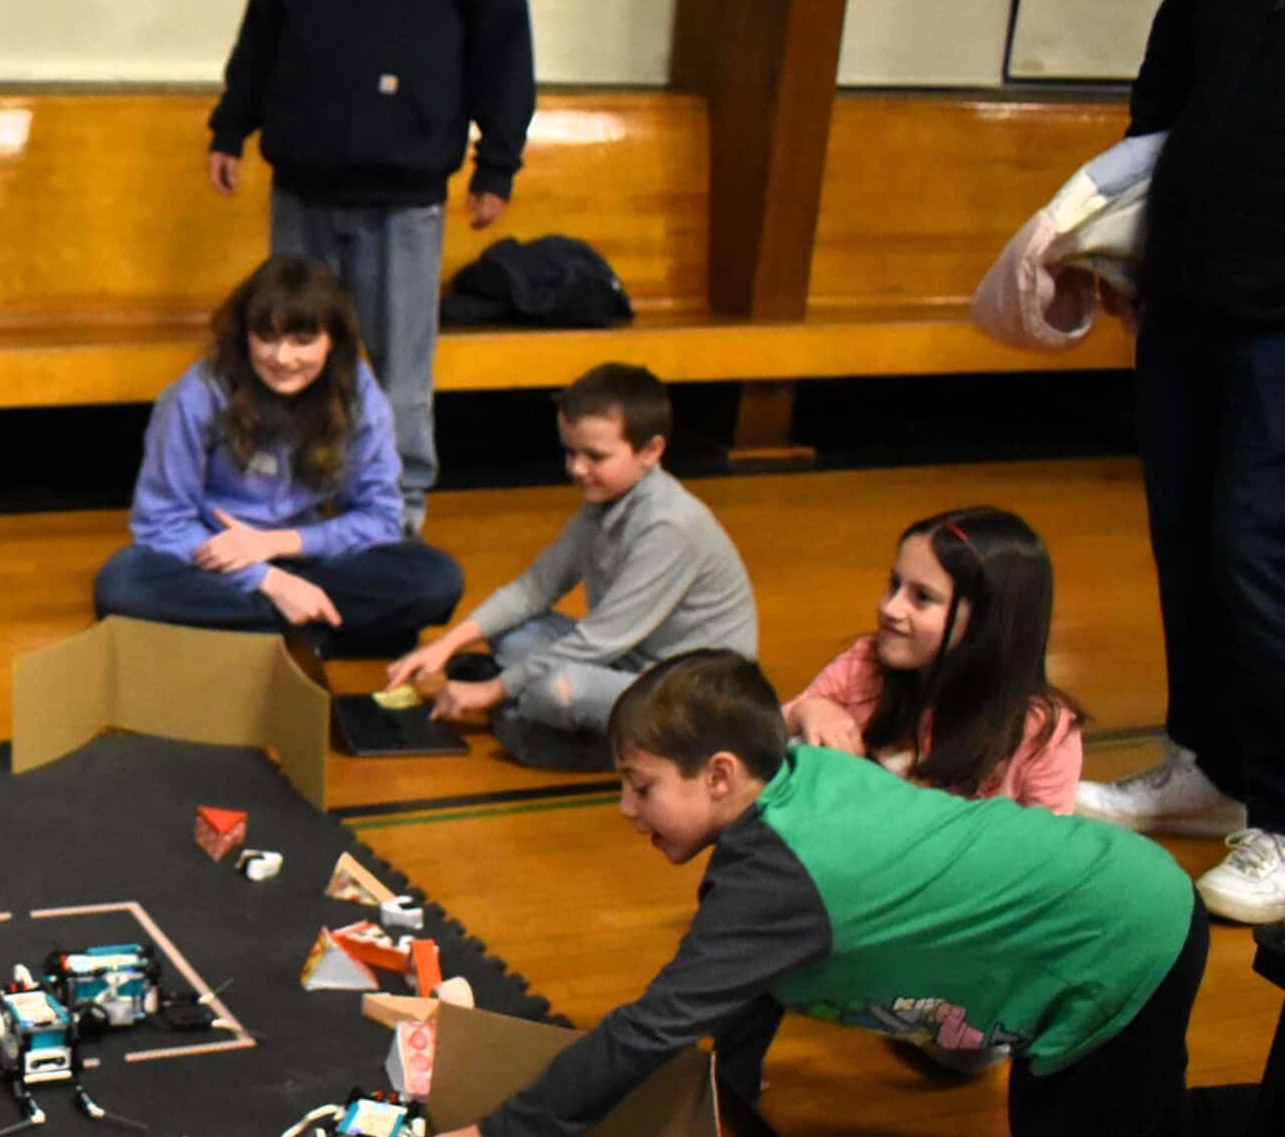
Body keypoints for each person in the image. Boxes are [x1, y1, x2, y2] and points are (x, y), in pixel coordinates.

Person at [421, 652, 1257, 1137]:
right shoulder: (794, 785)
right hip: (1117, 903)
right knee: (1119, 1131)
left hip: (1117, 940)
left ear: (719, 776)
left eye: (641, 786)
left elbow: (650, 1028)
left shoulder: (777, 879)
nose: (625, 808)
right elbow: (746, 993)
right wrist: (735, 1127)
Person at [1073, 0, 1285, 928]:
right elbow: (1162, 93)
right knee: (1189, 541)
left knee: (1267, 555)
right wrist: (1123, 242)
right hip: (1191, 298)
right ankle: (1210, 767)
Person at [208, 0, 535, 534]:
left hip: (405, 193)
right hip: (304, 185)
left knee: (397, 375)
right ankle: (293, 502)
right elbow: (264, 23)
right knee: (290, 358)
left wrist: (497, 163)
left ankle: (396, 515)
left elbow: (502, 41)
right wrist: (231, 124)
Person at [388, 364, 756, 769]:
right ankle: (549, 715)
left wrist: (491, 690)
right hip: (627, 660)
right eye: (570, 452)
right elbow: (534, 589)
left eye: (595, 456)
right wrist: (445, 645)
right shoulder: (604, 500)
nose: (577, 469)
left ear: (651, 451)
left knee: (557, 690)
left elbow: (599, 640)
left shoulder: (670, 527)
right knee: (511, 632)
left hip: (692, 695)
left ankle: (611, 745)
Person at [92, 255, 464, 654]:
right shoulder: (199, 392)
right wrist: (268, 580)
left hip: (308, 553)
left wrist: (275, 545)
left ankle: (248, 634)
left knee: (437, 578)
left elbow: (381, 518)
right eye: (267, 337)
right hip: (215, 560)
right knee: (122, 584)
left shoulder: (358, 392)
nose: (283, 358)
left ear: (332, 341)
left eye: (303, 341)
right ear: (245, 334)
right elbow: (159, 521)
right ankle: (317, 630)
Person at [782, 508, 1084, 812]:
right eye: (894, 584)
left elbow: (1051, 839)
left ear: (987, 621)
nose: (890, 608)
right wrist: (806, 711)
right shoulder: (865, 664)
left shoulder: (1042, 731)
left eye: (922, 597)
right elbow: (764, 734)